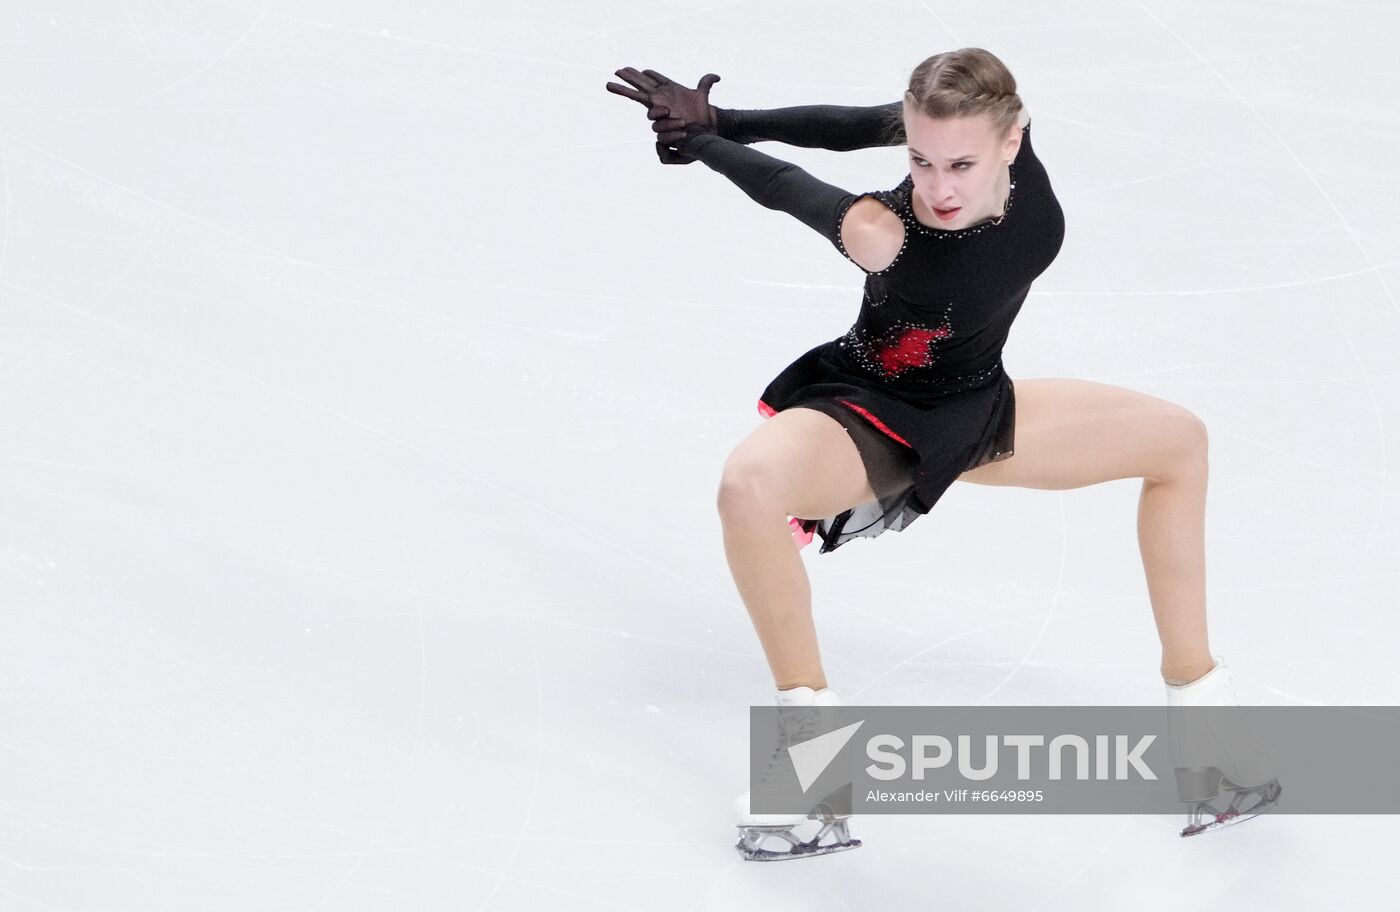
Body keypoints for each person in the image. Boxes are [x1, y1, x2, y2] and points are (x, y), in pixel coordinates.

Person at [606, 48, 1279, 858]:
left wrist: (730, 116)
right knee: (748, 482)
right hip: (872, 414)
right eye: (920, 161)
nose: (938, 187)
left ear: (1012, 136)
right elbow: (788, 189)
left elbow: (860, 123)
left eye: (959, 161)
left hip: (976, 406)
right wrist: (708, 145)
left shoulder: (1016, 152)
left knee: (1180, 444)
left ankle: (1209, 748)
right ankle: (815, 777)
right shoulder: (886, 235)